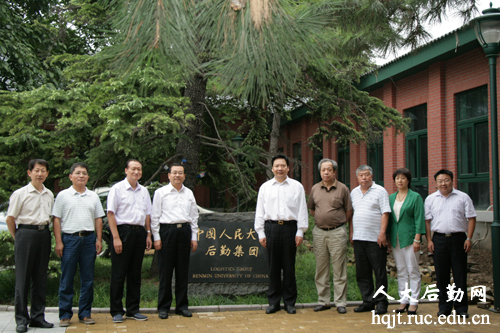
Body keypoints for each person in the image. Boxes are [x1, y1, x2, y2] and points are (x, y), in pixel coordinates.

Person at [52, 162, 105, 327]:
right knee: (67, 278)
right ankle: (65, 315)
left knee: (87, 279)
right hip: (69, 240)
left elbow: (98, 219)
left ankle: (85, 313)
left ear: (88, 177)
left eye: (84, 173)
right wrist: (59, 241)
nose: (81, 176)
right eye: (78, 173)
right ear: (71, 176)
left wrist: (98, 239)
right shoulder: (62, 196)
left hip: (89, 240)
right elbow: (56, 219)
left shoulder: (93, 196)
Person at [254, 154, 308, 315]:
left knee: (289, 267)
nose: (280, 168)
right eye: (277, 166)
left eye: (283, 165)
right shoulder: (265, 187)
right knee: (273, 268)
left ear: (288, 168)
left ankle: (290, 303)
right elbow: (259, 211)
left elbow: (302, 210)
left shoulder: (296, 186)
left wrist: (300, 231)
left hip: (290, 229)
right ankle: (274, 302)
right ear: (272, 168)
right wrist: (261, 232)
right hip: (271, 229)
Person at [6, 159, 54, 333]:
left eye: (43, 171)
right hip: (25, 234)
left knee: (40, 278)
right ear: (29, 173)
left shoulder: (49, 194)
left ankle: (38, 317)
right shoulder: (21, 193)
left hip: (44, 234)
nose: (40, 174)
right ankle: (21, 319)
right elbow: (10, 218)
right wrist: (17, 237)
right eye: (37, 170)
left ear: (47, 174)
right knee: (23, 278)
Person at [425, 169, 476, 318]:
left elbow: (471, 218)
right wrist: (429, 240)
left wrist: (469, 238)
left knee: (459, 274)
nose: (443, 183)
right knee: (442, 275)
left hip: (459, 239)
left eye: (446, 180)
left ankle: (461, 309)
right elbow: (427, 221)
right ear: (436, 183)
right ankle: (444, 307)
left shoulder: (463, 197)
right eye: (440, 181)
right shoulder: (430, 199)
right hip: (439, 239)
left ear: (452, 181)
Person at [151, 163, 199, 319]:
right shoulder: (161, 193)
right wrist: (156, 237)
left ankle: (182, 306)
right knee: (165, 272)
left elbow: (194, 217)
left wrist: (194, 237)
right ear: (169, 175)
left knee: (182, 272)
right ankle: (163, 307)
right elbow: (155, 217)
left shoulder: (189, 193)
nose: (177, 175)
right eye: (175, 173)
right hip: (167, 232)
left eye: (181, 173)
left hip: (184, 232)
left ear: (184, 176)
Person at [107, 159, 153, 323]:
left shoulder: (144, 191)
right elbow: (111, 214)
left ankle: (133, 309)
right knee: (119, 273)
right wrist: (116, 237)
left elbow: (148, 214)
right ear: (126, 170)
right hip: (123, 232)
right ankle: (117, 310)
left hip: (139, 233)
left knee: (135, 274)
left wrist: (148, 234)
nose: (136, 172)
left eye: (139, 169)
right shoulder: (117, 189)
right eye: (133, 169)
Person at [307, 158, 352, 314]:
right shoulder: (314, 189)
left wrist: (338, 223)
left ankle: (340, 302)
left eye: (329, 170)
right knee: (321, 268)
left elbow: (348, 211)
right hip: (319, 232)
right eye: (323, 170)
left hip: (337, 232)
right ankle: (323, 301)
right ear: (320, 172)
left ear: (334, 171)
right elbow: (312, 210)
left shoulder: (342, 189)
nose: (326, 172)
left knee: (339, 268)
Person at [350, 164, 391, 315]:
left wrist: (382, 233)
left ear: (371, 176)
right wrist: (352, 232)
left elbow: (385, 213)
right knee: (362, 272)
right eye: (361, 175)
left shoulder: (380, 191)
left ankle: (381, 302)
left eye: (366, 174)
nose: (364, 178)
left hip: (375, 239)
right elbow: (352, 214)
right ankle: (368, 301)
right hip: (359, 238)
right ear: (357, 177)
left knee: (379, 272)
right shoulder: (353, 192)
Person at [388, 168, 425, 315]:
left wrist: (417, 239)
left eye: (403, 178)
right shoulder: (391, 197)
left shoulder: (415, 197)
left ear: (408, 180)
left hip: (410, 239)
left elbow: (419, 218)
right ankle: (403, 299)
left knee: (413, 270)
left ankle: (414, 301)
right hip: (396, 238)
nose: (400, 181)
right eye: (397, 178)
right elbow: (390, 219)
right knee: (401, 270)